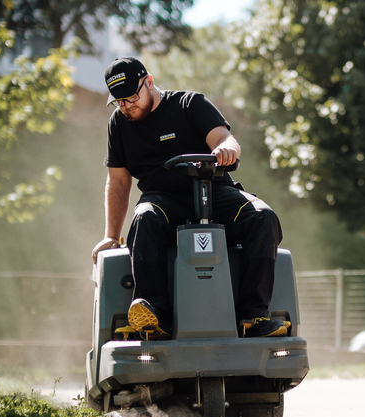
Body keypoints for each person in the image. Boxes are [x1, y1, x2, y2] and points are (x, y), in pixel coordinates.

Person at [91, 57, 288, 339]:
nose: (126, 106)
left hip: (214, 189)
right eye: (119, 102)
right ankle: (153, 314)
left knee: (262, 217)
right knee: (144, 217)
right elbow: (119, 181)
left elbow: (224, 138)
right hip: (162, 200)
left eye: (132, 97)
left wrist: (226, 149)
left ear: (149, 82)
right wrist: (111, 235)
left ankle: (254, 316)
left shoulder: (189, 104)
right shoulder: (119, 124)